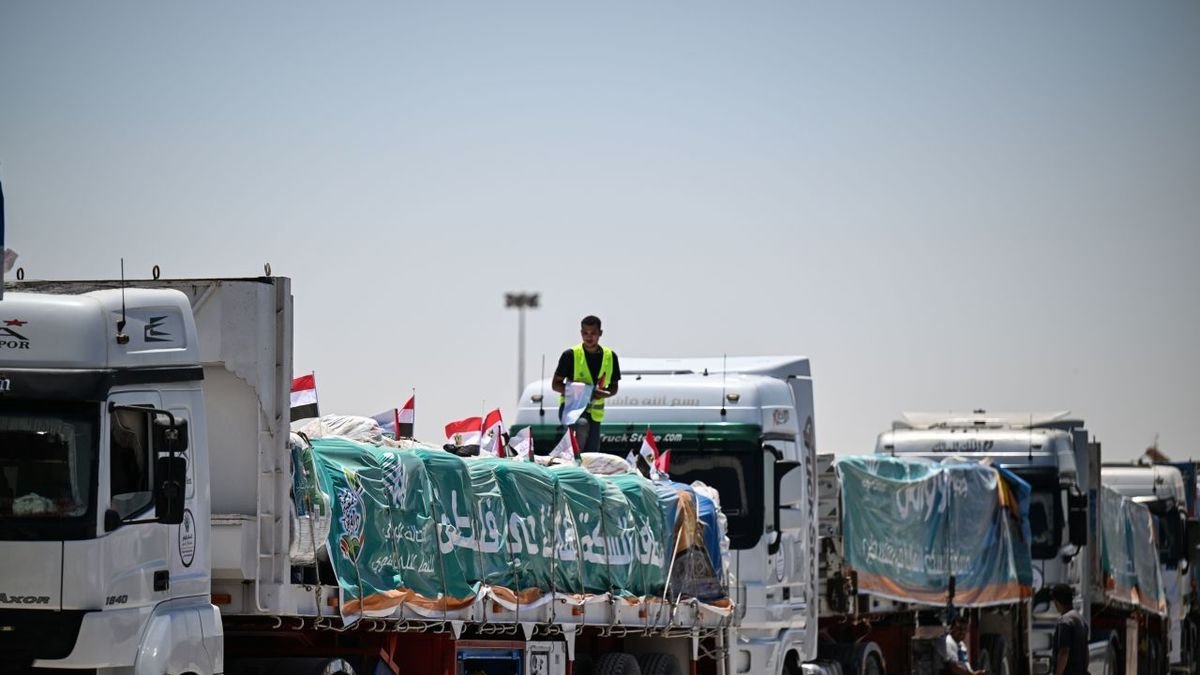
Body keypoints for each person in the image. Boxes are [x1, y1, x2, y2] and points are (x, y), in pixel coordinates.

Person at [552, 315, 620, 454]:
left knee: (592, 453)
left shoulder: (610, 356)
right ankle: (572, 461)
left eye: (593, 333)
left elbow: (614, 387)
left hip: (594, 412)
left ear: (600, 333)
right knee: (581, 426)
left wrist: (604, 393)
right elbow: (555, 385)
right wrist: (580, 391)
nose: (589, 337)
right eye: (585, 333)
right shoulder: (570, 355)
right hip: (572, 409)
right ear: (581, 333)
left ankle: (585, 471)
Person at [1050, 583, 1089, 675]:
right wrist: (1085, 669)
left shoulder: (1064, 622)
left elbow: (1064, 652)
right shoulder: (1082, 620)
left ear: (1057, 602)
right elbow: (1086, 651)